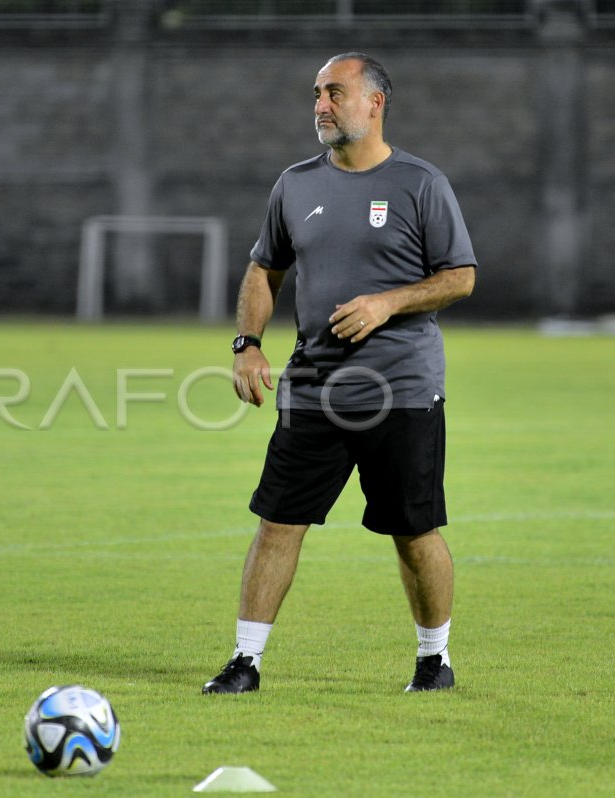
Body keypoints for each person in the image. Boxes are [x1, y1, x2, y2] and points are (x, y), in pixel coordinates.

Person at [203, 53, 477, 695]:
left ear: (375, 102)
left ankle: (434, 661)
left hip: (403, 390)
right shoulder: (294, 185)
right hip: (314, 387)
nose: (321, 105)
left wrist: (388, 301)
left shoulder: (421, 183)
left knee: (413, 531)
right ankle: (246, 662)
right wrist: (246, 343)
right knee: (278, 522)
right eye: (316, 94)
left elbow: (461, 276)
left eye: (335, 92)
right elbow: (263, 271)